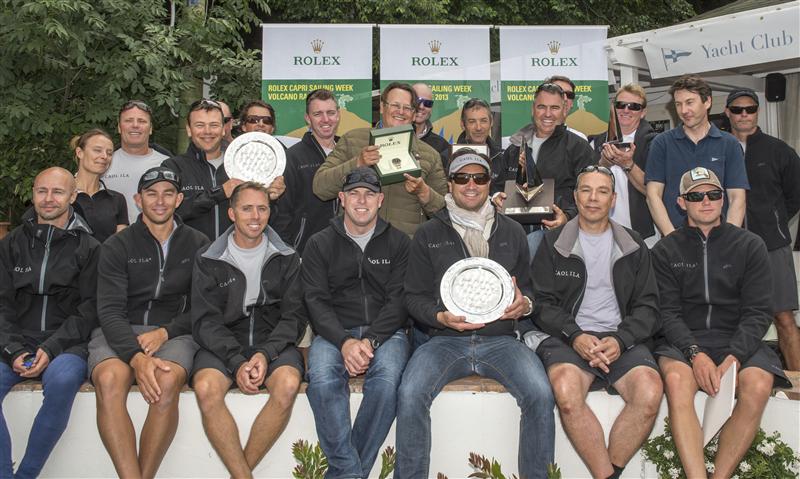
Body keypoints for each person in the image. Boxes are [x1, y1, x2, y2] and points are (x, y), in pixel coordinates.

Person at [395, 150, 554, 479]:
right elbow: (413, 297)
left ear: (489, 183)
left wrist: (524, 305)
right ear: (449, 184)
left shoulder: (512, 232)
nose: (471, 185)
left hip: (502, 342)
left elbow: (531, 290)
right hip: (444, 341)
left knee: (540, 394)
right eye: (462, 178)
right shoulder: (428, 233)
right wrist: (439, 318)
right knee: (409, 393)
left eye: (479, 178)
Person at [651, 166, 791, 478]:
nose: (706, 201)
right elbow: (667, 313)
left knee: (758, 384)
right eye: (696, 196)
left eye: (714, 194)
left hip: (738, 339)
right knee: (676, 381)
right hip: (684, 340)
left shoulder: (750, 245)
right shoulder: (665, 250)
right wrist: (693, 352)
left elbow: (758, 311)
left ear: (723, 198)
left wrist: (735, 355)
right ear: (681, 202)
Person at [528, 165, 662, 479]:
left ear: (613, 199)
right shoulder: (554, 242)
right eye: (586, 190)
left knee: (650, 393)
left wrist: (621, 339)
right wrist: (574, 335)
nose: (593, 198)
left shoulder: (633, 243)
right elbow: (541, 304)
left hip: (620, 337)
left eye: (602, 191)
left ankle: (607, 473)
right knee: (566, 393)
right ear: (575, 196)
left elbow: (649, 306)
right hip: (568, 338)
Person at [91, 166, 209, 478]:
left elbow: (203, 305)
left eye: (168, 193)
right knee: (108, 379)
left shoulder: (198, 243)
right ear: (138, 199)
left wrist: (165, 332)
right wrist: (135, 356)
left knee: (167, 381)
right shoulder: (116, 245)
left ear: (179, 199)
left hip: (174, 332)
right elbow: (109, 310)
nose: (160, 201)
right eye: (151, 193)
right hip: (120, 331)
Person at [192, 182, 305, 479]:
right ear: (231, 213)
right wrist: (236, 361)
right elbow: (205, 321)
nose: (255, 216)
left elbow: (294, 317)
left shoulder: (287, 256)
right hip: (225, 344)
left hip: (273, 342)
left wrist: (266, 354)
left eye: (262, 208)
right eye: (246, 208)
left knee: (288, 385)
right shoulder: (209, 257)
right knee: (205, 388)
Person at [303, 167, 410, 478]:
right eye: (353, 194)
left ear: (380, 200)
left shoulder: (400, 243)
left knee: (388, 382)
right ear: (341, 199)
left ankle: (345, 473)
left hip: (387, 334)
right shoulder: (319, 243)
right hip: (334, 332)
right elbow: (315, 301)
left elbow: (400, 301)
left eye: (368, 194)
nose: (361, 200)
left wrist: (370, 341)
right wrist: (345, 342)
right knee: (321, 380)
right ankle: (351, 471)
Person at [0, 167, 99, 479]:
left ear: (72, 196)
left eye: (58, 192)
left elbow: (90, 308)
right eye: (42, 191)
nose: (48, 198)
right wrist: (13, 349)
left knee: (63, 381)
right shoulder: (11, 243)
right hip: (16, 341)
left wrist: (52, 347)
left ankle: (27, 474)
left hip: (66, 344)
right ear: (33, 194)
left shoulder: (90, 247)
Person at [724, 88, 800, 371]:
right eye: (737, 109)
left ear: (757, 111)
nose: (744, 114)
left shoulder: (779, 150)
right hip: (729, 249)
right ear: (728, 113)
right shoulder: (718, 148)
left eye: (750, 109)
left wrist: (774, 221)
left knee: (783, 317)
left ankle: (796, 389)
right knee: (730, 321)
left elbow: (795, 195)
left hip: (771, 247)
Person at [313, 82, 448, 237]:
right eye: (395, 105)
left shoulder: (429, 154)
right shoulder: (353, 139)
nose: (401, 111)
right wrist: (357, 163)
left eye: (407, 108)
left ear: (413, 114)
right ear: (382, 107)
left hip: (404, 251)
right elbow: (320, 187)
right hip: (354, 245)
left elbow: (446, 212)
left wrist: (424, 192)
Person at [496, 82, 596, 258]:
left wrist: (567, 216)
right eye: (542, 107)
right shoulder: (515, 147)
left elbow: (591, 193)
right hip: (513, 235)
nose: (548, 114)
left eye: (554, 108)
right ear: (533, 109)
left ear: (565, 110)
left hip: (557, 236)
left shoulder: (578, 148)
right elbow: (498, 185)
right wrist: (496, 197)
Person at [162, 99, 285, 241]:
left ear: (223, 129)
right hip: (190, 256)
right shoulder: (173, 167)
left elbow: (262, 220)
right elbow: (169, 212)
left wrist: (271, 199)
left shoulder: (243, 166)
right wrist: (219, 193)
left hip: (234, 257)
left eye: (214, 125)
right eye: (200, 125)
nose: (207, 131)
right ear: (189, 129)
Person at [645, 75, 748, 236]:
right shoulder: (662, 143)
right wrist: (672, 238)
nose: (684, 110)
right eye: (678, 104)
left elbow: (737, 198)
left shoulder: (729, 144)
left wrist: (729, 240)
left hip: (720, 238)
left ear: (707, 102)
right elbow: (653, 195)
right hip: (677, 236)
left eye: (689, 102)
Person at [272, 89, 341, 255]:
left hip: (344, 251)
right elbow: (282, 214)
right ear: (307, 118)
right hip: (306, 252)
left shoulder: (348, 152)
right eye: (318, 114)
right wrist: (289, 253)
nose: (326, 119)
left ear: (338, 115)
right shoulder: (292, 157)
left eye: (330, 113)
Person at [591, 84, 658, 243]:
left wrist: (628, 165)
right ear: (613, 107)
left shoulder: (654, 143)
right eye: (621, 105)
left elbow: (654, 191)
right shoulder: (596, 142)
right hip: (603, 232)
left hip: (644, 234)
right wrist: (604, 164)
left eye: (634, 107)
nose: (626, 110)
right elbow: (586, 187)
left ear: (643, 113)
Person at [103, 100, 170, 223]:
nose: (135, 125)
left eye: (142, 121)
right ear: (119, 127)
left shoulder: (168, 165)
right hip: (111, 240)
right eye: (128, 121)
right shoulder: (103, 164)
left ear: (150, 129)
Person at [71, 128, 129, 243]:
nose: (104, 156)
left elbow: (120, 246)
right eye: (97, 150)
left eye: (109, 153)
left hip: (106, 260)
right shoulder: (61, 194)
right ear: (79, 153)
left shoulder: (117, 200)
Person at [456, 98, 504, 188]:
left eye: (483, 121)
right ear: (463, 125)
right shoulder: (448, 157)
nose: (478, 127)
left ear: (491, 122)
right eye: (472, 121)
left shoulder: (502, 157)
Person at [412, 83, 450, 170]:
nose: (421, 106)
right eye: (417, 101)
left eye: (427, 103)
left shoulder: (442, 145)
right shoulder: (394, 138)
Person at [545, 75, 588, 141]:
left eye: (569, 95)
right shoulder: (526, 139)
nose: (565, 98)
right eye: (559, 93)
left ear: (572, 103)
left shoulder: (580, 139)